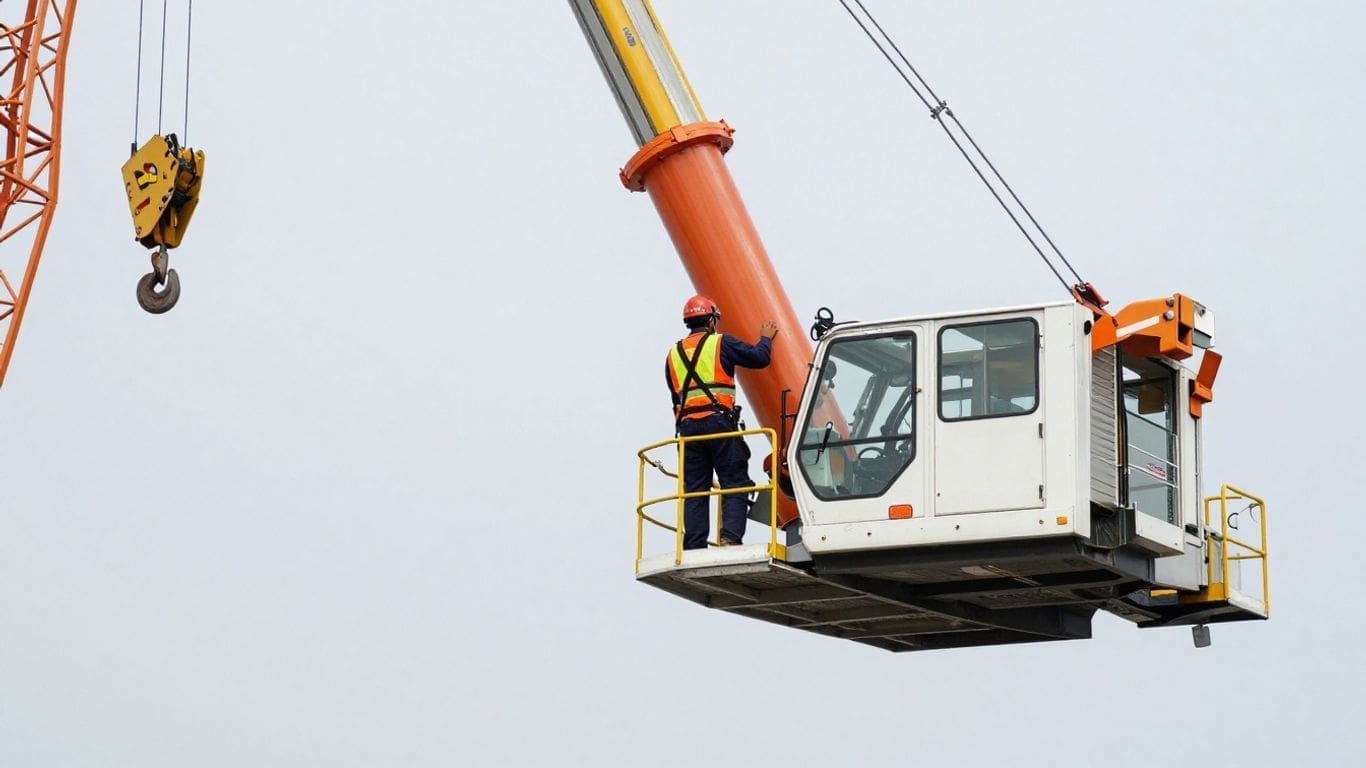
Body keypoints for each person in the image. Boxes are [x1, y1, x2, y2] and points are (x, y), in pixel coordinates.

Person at [665, 294, 779, 550]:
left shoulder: (672, 354)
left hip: (688, 430)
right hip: (718, 424)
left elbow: (675, 398)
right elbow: (759, 358)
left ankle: (693, 545)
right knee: (735, 482)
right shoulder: (721, 344)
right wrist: (765, 338)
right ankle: (729, 539)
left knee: (694, 489)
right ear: (712, 320)